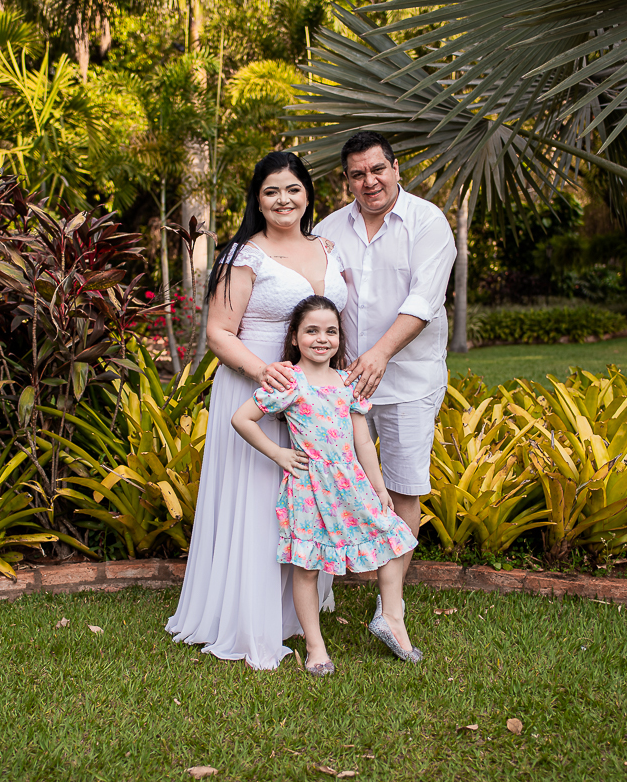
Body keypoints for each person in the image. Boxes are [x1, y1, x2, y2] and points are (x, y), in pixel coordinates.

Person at [166, 151, 346, 670]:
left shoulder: (327, 248)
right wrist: (265, 372)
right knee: (261, 502)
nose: (283, 200)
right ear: (258, 200)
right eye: (271, 191)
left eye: (292, 189)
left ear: (308, 194)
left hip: (312, 394)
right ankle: (249, 616)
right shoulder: (243, 255)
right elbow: (219, 333)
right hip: (256, 388)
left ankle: (296, 612)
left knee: (305, 496)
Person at [231, 296, 421, 675]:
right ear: (295, 337)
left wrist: (379, 487)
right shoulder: (289, 382)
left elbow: (362, 440)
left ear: (339, 337)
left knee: (391, 540)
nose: (322, 339)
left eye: (330, 331)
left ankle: (391, 618)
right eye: (312, 331)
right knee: (308, 566)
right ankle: (315, 647)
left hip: (351, 482)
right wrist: (279, 454)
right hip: (310, 488)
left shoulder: (346, 381)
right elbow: (242, 419)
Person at [314, 131, 457, 616]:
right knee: (329, 481)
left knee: (402, 488)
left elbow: (424, 301)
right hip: (342, 384)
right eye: (358, 174)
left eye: (377, 169)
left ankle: (388, 606)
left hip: (409, 381)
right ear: (347, 179)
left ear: (396, 169)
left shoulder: (428, 222)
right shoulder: (329, 228)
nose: (369, 181)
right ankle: (319, 592)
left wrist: (378, 355)